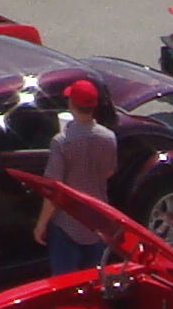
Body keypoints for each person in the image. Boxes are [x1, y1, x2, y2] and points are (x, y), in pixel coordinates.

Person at [34, 79, 115, 275]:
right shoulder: (109, 137)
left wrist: (41, 225)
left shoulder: (61, 142)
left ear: (71, 105)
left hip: (66, 223)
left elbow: (54, 189)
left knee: (65, 283)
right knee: (94, 279)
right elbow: (109, 172)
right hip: (96, 220)